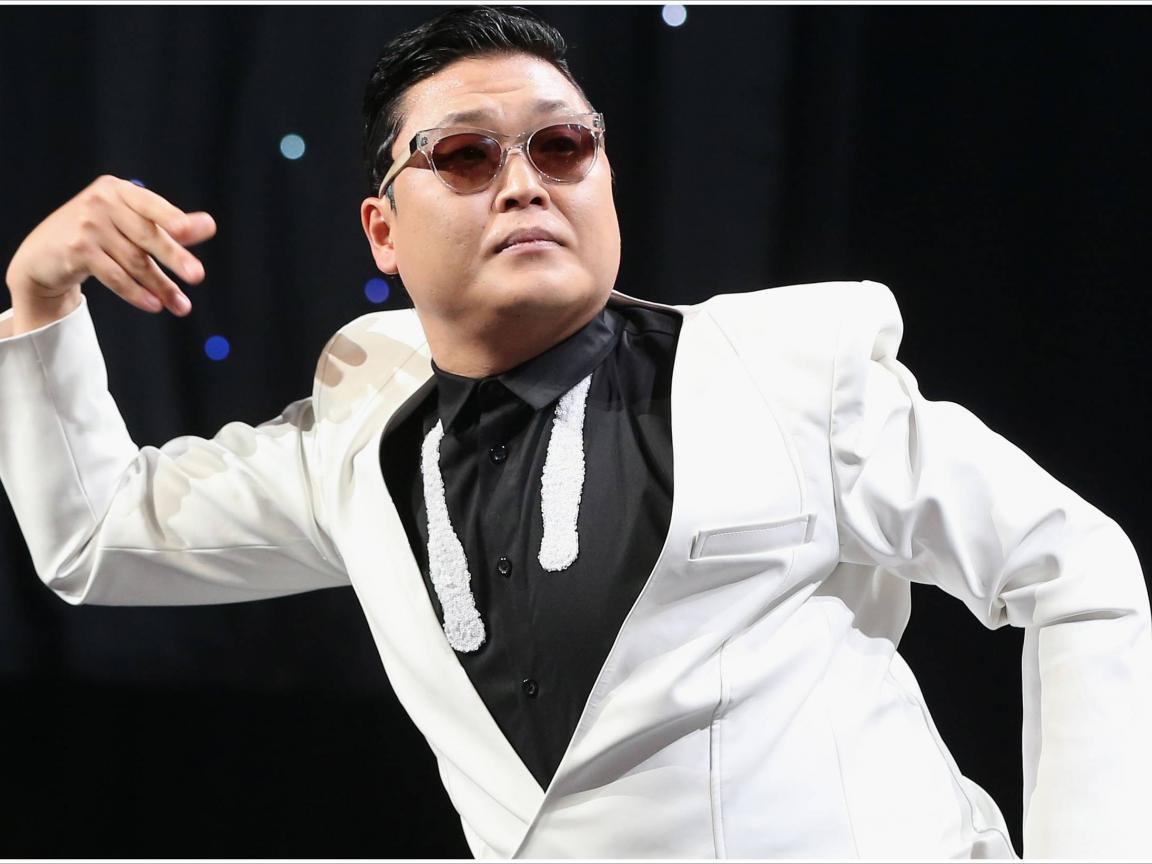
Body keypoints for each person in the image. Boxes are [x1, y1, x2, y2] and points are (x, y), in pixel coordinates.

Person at [1, 6, 1149, 858]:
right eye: (464, 155)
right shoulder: (354, 444)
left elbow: (1075, 566)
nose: (524, 184)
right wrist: (40, 298)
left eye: (561, 147)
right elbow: (93, 539)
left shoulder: (787, 376)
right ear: (382, 232)